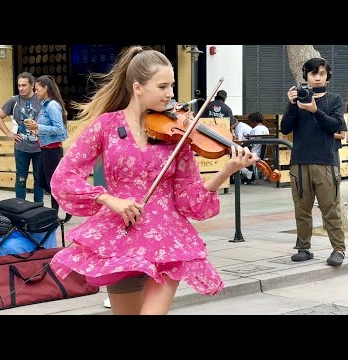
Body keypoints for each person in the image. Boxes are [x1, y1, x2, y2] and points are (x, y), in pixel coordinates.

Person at [48, 46, 258, 315]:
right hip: (119, 237)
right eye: (162, 86)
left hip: (166, 240)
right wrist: (108, 199)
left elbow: (189, 198)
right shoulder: (106, 125)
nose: (171, 94)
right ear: (138, 87)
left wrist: (226, 171)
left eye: (171, 85)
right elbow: (64, 177)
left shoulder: (179, 133)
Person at [281, 57, 347, 267]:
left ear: (327, 77)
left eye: (322, 74)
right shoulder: (298, 100)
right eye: (313, 74)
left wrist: (314, 110)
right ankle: (303, 248)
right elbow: (285, 128)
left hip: (326, 162)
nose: (317, 78)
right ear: (306, 77)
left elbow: (336, 125)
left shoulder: (335, 99)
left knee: (331, 208)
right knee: (302, 208)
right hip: (299, 162)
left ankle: (338, 249)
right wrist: (292, 105)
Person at [0, 72, 44, 203]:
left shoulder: (42, 99)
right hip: (21, 147)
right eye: (19, 85)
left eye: (24, 85)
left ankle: (38, 209)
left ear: (32, 85)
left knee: (39, 180)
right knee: (21, 178)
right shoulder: (14, 100)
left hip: (40, 148)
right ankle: (19, 209)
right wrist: (8, 133)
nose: (21, 88)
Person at [24, 75, 68, 212]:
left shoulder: (52, 106)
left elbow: (59, 129)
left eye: (37, 89)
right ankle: (65, 203)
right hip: (45, 149)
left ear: (45, 88)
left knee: (51, 183)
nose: (36, 92)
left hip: (53, 150)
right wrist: (37, 130)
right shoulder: (45, 106)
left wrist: (38, 127)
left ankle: (58, 210)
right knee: (42, 181)